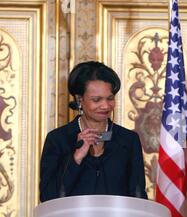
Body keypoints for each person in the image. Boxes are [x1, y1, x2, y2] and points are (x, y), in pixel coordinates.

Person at [40, 61, 148, 202]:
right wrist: (76, 158)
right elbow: (48, 197)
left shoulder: (128, 140)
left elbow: (138, 196)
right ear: (79, 100)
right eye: (96, 100)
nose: (105, 105)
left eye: (110, 98)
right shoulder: (58, 139)